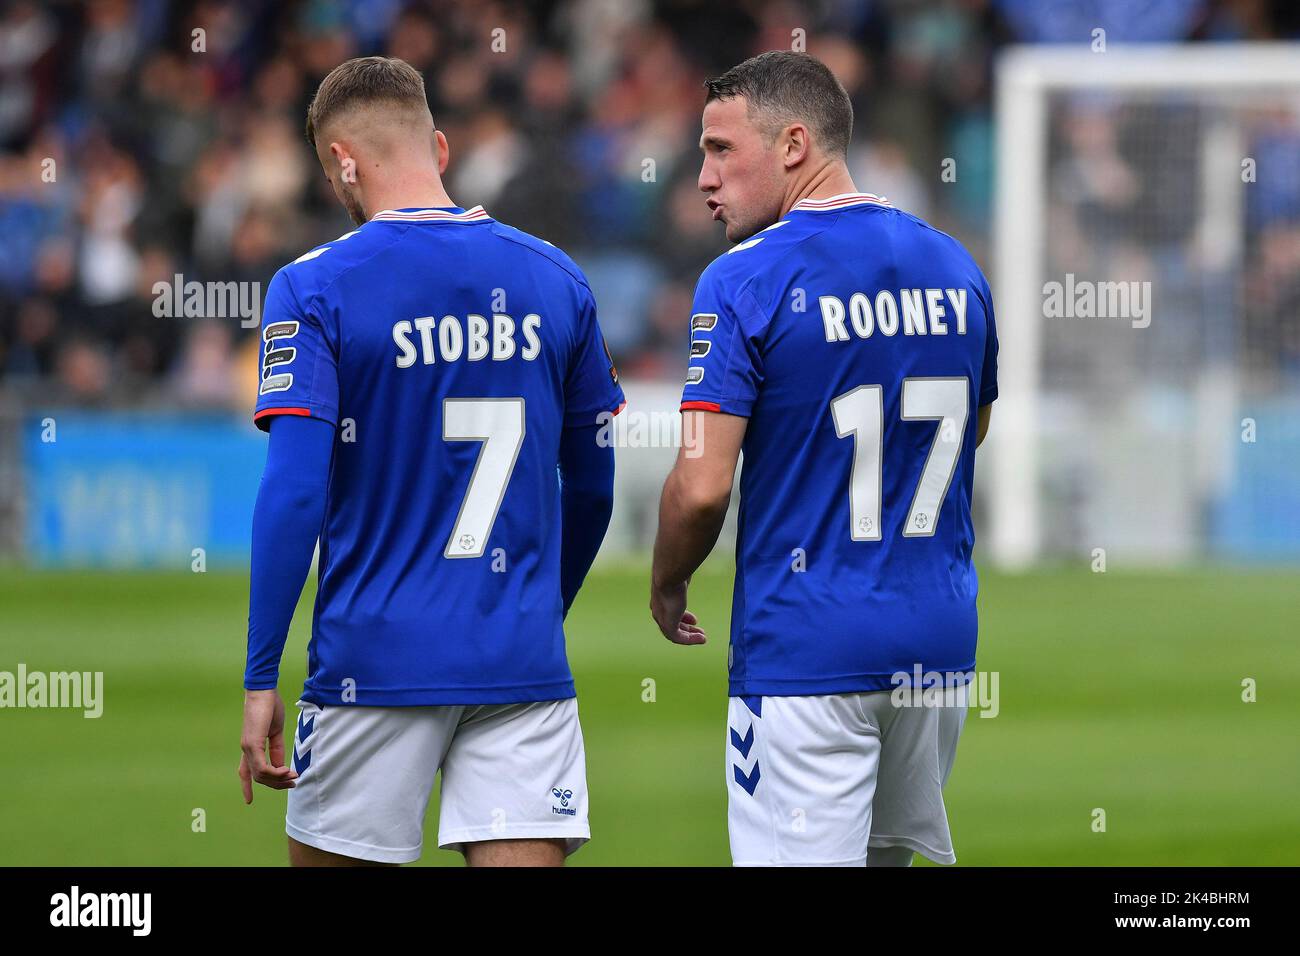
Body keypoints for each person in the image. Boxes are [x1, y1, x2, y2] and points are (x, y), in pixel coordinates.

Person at [237, 56, 624, 867]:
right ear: (439, 148)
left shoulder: (314, 288)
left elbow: (295, 491)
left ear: (343, 161)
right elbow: (593, 482)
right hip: (520, 666)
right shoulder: (558, 279)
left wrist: (261, 673)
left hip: (371, 667)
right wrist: (539, 613)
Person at [650, 51, 997, 867]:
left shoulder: (743, 280)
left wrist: (667, 581)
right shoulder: (957, 265)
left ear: (796, 144)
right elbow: (971, 430)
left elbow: (701, 489)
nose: (703, 177)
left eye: (721, 150)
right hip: (936, 653)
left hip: (806, 652)